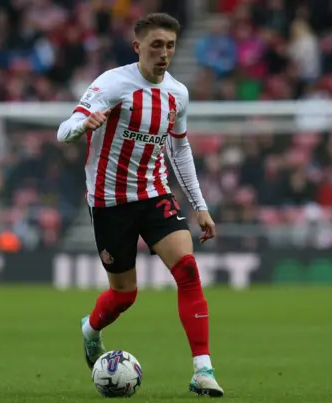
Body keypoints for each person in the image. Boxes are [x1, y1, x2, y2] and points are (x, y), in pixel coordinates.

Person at [56, 13, 224, 397]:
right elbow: (64, 129)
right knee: (125, 295)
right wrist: (83, 125)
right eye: (156, 46)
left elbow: (179, 149)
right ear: (138, 47)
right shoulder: (111, 84)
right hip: (110, 202)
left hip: (155, 195)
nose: (164, 54)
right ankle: (91, 328)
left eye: (170, 46)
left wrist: (200, 205)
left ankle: (203, 369)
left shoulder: (177, 93)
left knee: (187, 270)